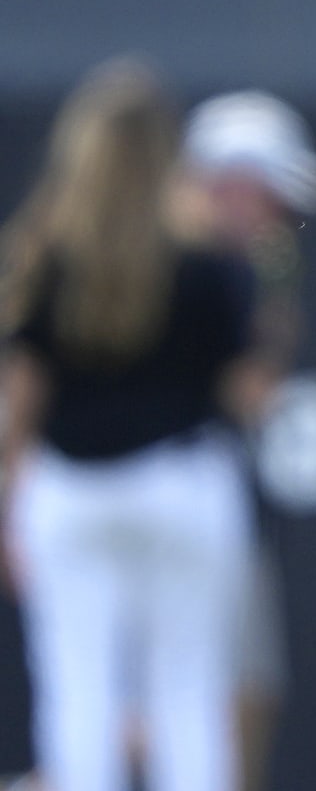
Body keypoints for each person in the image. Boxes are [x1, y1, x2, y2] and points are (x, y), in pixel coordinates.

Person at [0, 59, 276, 791]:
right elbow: (251, 395)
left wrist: (7, 501)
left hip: (71, 494)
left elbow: (20, 398)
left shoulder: (48, 252)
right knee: (189, 698)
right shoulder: (210, 258)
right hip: (181, 488)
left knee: (78, 700)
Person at [176, 90, 316, 791]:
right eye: (270, 197)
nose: (281, 220)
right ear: (231, 185)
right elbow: (249, 393)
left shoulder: (247, 274)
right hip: (174, 514)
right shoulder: (186, 273)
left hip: (212, 510)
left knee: (245, 692)